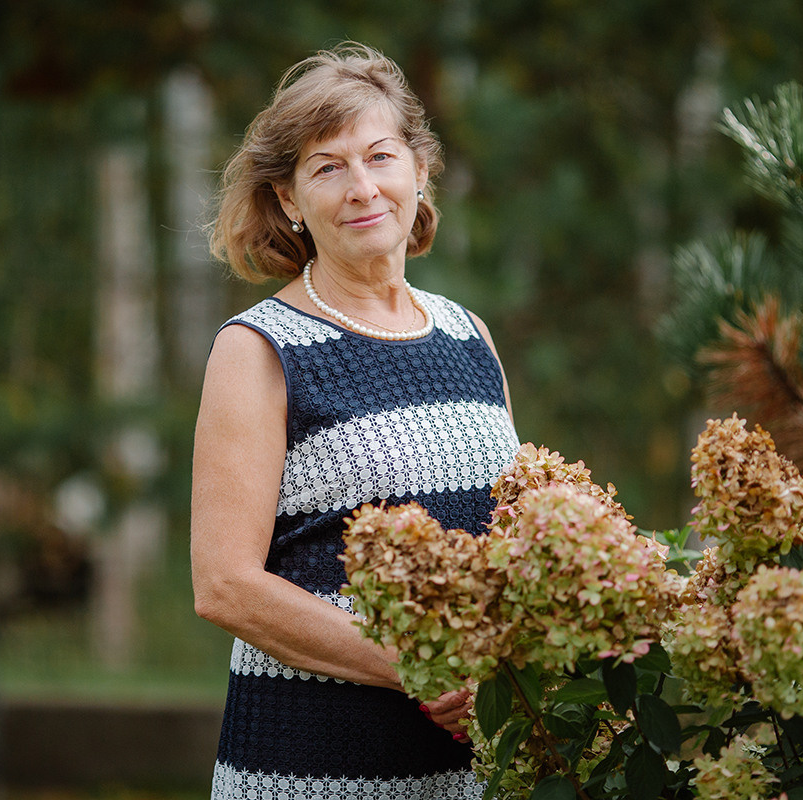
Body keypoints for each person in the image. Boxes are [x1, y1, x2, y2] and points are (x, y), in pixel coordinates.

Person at [191, 42, 520, 800]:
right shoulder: (259, 349)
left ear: (420, 169)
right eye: (328, 168)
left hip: (467, 771)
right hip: (311, 768)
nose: (362, 187)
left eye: (380, 156)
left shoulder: (468, 334)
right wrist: (416, 666)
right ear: (288, 200)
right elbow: (225, 585)